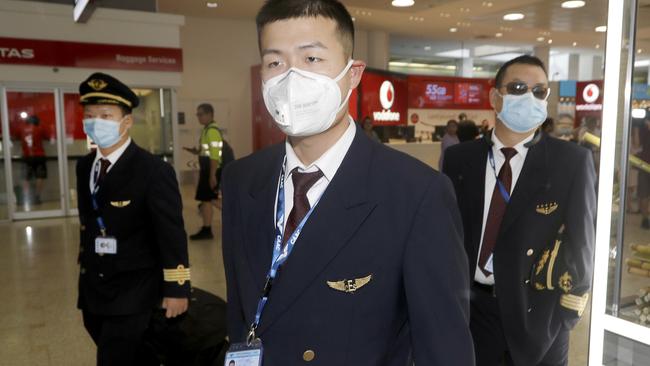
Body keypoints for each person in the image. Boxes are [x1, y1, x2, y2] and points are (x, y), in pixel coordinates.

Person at [221, 1, 474, 365]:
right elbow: (241, 312)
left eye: (311, 59)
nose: (291, 79)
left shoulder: (416, 193)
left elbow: (444, 346)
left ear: (352, 74)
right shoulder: (242, 178)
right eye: (275, 62)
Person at [443, 55, 596, 366]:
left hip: (538, 317)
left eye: (539, 92)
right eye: (518, 88)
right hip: (473, 313)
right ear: (495, 97)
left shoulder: (570, 161)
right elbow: (446, 235)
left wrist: (564, 317)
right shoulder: (460, 159)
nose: (530, 98)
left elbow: (583, 245)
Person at [76, 72, 191, 366]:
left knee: (114, 358)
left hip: (134, 290)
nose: (95, 122)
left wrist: (177, 289)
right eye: (89, 115)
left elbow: (172, 234)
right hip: (94, 288)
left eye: (105, 115)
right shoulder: (85, 166)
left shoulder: (152, 171)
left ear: (126, 122)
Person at [184, 103, 223, 240]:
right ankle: (207, 229)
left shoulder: (212, 131)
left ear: (209, 115)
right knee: (207, 199)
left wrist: (212, 175)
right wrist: (194, 151)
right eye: (197, 114)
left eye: (200, 114)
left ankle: (235, 215)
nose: (198, 117)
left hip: (210, 170)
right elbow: (205, 151)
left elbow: (215, 154)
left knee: (209, 198)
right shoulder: (206, 130)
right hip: (207, 169)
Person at [19, 115, 49, 204]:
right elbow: (48, 137)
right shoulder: (39, 128)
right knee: (40, 177)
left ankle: (26, 197)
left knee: (26, 178)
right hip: (39, 156)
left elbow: (15, 137)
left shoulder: (22, 129)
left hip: (27, 156)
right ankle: (37, 197)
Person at [639, 113, 650, 229]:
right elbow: (637, 143)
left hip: (643, 164)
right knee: (644, 194)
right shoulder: (642, 129)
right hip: (643, 164)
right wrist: (637, 127)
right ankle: (645, 219)